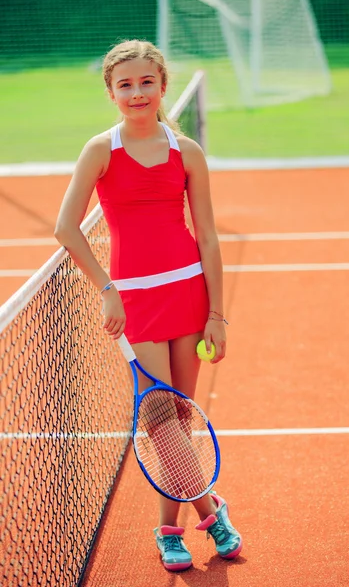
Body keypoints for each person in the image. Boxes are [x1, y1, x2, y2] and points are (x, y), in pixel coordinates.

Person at [54, 39, 242, 571]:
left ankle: (168, 530)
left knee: (180, 419)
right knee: (160, 417)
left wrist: (217, 315)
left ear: (162, 86)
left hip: (189, 291)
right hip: (135, 298)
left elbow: (207, 236)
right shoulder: (100, 149)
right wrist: (106, 287)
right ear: (111, 92)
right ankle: (210, 512)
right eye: (125, 85)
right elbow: (65, 227)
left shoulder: (187, 151)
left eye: (146, 83)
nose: (137, 93)